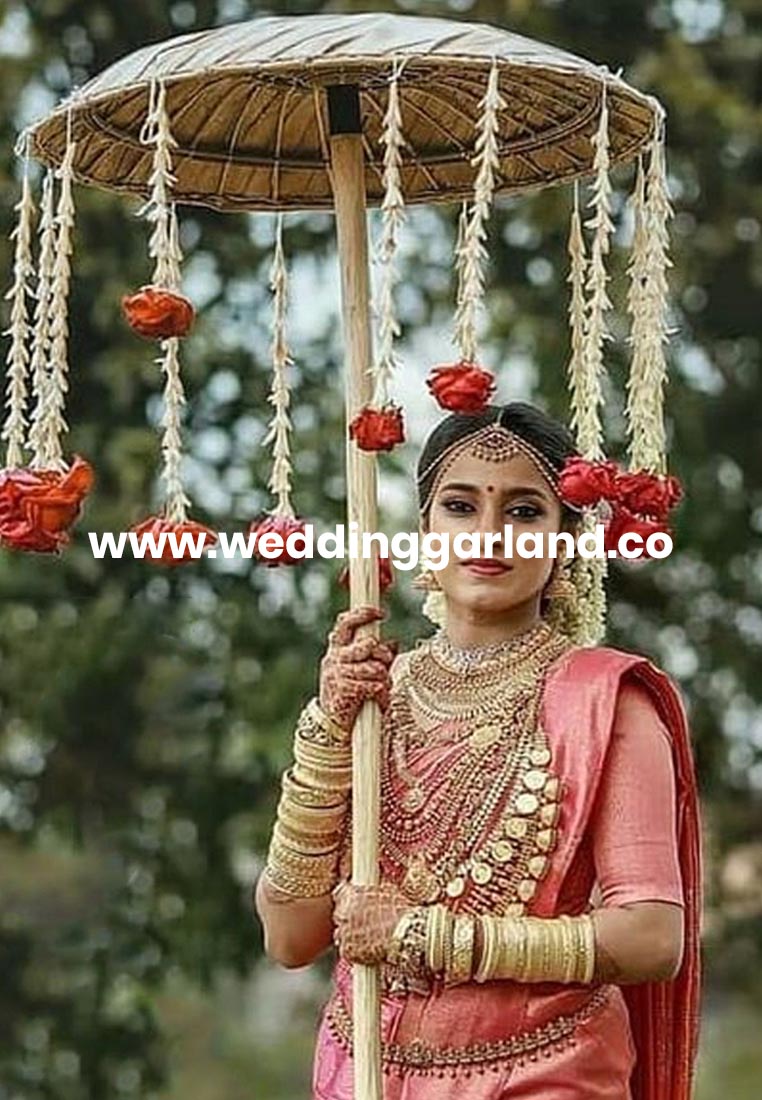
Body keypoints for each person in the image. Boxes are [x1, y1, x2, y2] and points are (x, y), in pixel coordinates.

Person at [254, 401, 703, 1100]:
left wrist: (417, 935)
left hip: (543, 1078)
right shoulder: (373, 697)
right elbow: (289, 936)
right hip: (364, 1073)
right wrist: (328, 729)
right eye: (461, 507)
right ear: (424, 531)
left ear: (565, 541)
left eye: (524, 512)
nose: (489, 534)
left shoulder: (605, 703)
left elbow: (651, 937)